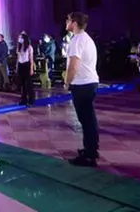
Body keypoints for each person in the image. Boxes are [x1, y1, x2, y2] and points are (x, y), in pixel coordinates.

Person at [64, 11, 100, 167]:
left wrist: (67, 82)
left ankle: (90, 155)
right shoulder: (85, 38)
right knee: (88, 119)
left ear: (75, 23)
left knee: (86, 120)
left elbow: (73, 65)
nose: (66, 22)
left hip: (82, 84)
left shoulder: (77, 40)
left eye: (68, 20)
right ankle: (91, 149)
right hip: (88, 82)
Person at [16, 32, 35, 106]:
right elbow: (18, 58)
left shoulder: (29, 47)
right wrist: (17, 66)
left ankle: (31, 100)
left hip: (27, 65)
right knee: (22, 84)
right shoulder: (19, 47)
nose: (19, 39)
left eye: (21, 37)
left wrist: (31, 68)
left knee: (29, 84)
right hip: (21, 65)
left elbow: (31, 58)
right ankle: (23, 99)